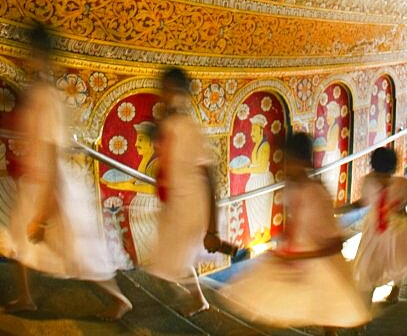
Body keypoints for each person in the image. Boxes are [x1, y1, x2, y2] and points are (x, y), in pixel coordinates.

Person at [2, 23, 132, 319]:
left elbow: (50, 151)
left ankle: (118, 299)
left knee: (78, 251)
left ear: (41, 55)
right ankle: (25, 297)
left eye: (32, 53)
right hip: (39, 179)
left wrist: (46, 211)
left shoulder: (46, 97)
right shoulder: (40, 93)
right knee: (19, 236)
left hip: (51, 183)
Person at [221, 131, 371, 333]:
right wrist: (286, 247)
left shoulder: (317, 193)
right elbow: (295, 222)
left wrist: (302, 255)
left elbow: (335, 242)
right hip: (296, 253)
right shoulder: (293, 187)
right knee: (275, 304)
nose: (284, 166)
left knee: (328, 310)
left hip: (318, 260)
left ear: (302, 162)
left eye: (288, 161)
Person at [147, 67, 236, 316]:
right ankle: (199, 300)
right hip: (177, 204)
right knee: (173, 257)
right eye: (163, 89)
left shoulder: (188, 128)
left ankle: (200, 296)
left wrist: (212, 229)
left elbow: (209, 178)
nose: (165, 95)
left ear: (181, 93)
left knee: (171, 257)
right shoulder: (169, 124)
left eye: (170, 89)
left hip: (191, 207)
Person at [349, 146, 407, 304]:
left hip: (397, 231)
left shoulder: (405, 184)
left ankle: (396, 289)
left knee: (397, 261)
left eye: (385, 174)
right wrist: (340, 209)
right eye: (378, 174)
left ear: (393, 169)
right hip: (374, 229)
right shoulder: (368, 181)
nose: (381, 179)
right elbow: (362, 203)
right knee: (370, 266)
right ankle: (366, 303)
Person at [103, 120, 160, 265]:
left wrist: (125, 186)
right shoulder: (145, 162)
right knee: (145, 252)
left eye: (140, 139)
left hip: (151, 208)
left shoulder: (156, 163)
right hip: (142, 207)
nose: (136, 144)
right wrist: (114, 183)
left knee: (152, 249)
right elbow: (135, 181)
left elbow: (153, 188)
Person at [230, 112, 274, 243]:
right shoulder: (258, 145)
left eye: (254, 130)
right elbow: (255, 164)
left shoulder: (265, 145)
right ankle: (257, 235)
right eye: (251, 130)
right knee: (255, 211)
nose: (251, 133)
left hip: (262, 181)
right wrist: (242, 167)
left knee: (263, 211)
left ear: (261, 131)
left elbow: (261, 167)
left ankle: (264, 234)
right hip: (255, 182)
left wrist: (243, 170)